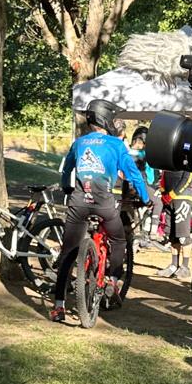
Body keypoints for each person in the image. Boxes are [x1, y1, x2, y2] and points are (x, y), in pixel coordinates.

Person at [49, 100, 148, 323]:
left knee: (67, 253)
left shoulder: (79, 142)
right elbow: (132, 174)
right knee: (119, 238)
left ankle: (58, 306)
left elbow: (67, 170)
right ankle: (113, 279)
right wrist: (145, 197)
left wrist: (67, 186)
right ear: (106, 119)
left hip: (78, 203)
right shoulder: (116, 144)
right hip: (104, 203)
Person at [159, 167, 192, 279]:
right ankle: (174, 265)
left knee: (183, 236)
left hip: (182, 196)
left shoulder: (186, 156)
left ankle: (185, 267)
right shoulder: (168, 157)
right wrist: (163, 192)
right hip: (168, 197)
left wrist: (173, 194)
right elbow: (164, 175)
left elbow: (188, 177)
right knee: (173, 236)